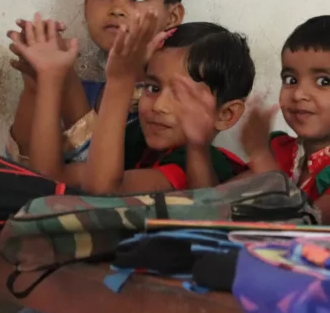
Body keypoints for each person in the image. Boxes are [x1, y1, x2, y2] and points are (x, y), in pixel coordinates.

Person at [6, 0, 187, 167]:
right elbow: (20, 169)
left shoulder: (170, 100)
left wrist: (65, 81)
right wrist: (35, 82)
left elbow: (98, 179)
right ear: (85, 5)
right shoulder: (89, 90)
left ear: (172, 16)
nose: (116, 8)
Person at [13, 14, 250, 193]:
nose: (159, 106)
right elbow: (52, 179)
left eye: (182, 95)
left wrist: (120, 82)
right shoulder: (137, 138)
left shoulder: (203, 163)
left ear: (226, 114)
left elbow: (103, 190)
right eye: (153, 88)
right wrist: (44, 79)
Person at [242, 15, 330, 226]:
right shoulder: (278, 149)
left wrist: (260, 156)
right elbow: (213, 205)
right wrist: (198, 145)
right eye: (291, 79)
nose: (299, 94)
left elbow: (303, 226)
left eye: (323, 81)